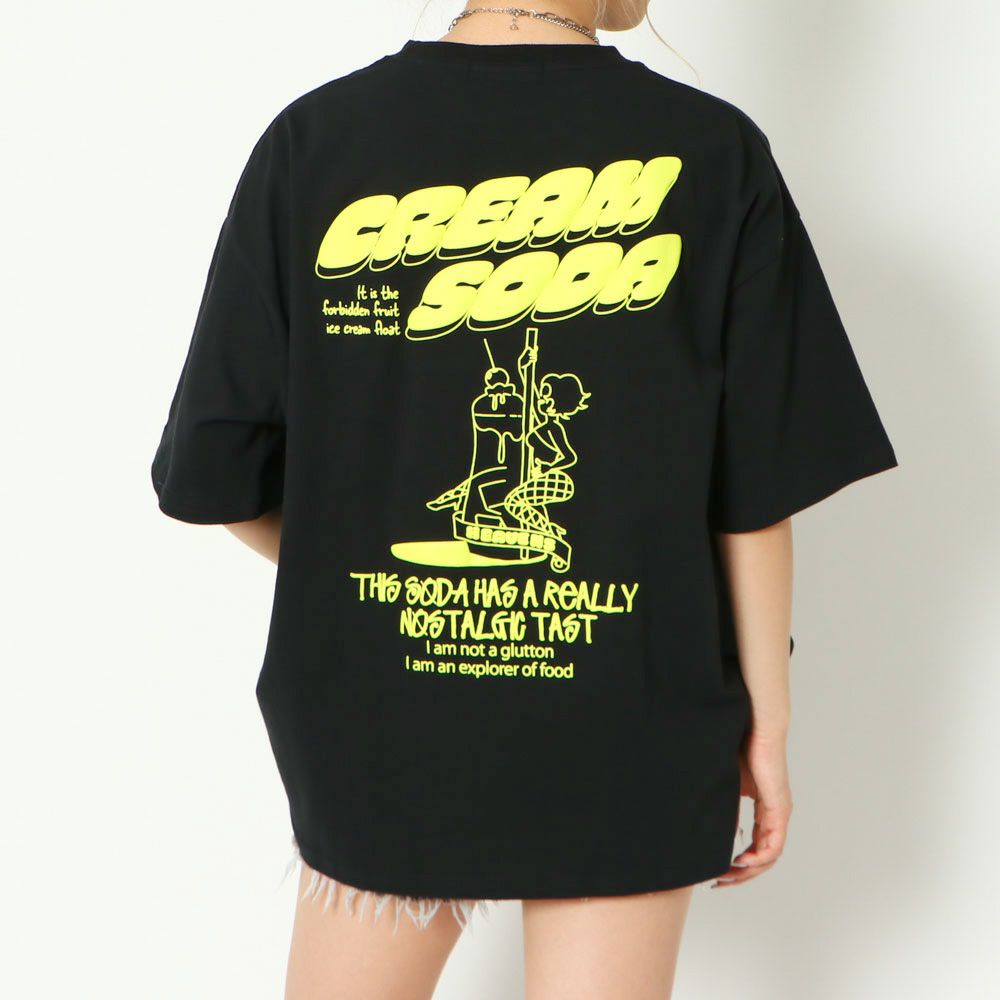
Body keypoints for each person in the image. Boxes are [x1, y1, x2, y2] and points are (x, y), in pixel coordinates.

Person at [149, 2, 899, 997]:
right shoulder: (711, 152)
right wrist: (768, 723)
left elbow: (214, 470)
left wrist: (364, 566)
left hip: (383, 713)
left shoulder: (317, 140)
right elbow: (754, 491)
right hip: (629, 710)